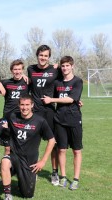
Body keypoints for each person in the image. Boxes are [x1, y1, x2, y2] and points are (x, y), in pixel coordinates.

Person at [1, 94, 55, 199]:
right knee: (4, 162)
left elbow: (52, 140)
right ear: (18, 105)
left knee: (27, 194)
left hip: (29, 160)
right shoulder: (12, 116)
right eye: (22, 105)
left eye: (27, 105)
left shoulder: (40, 121)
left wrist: (43, 161)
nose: (24, 107)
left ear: (32, 105)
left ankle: (25, 177)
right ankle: (7, 194)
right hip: (15, 155)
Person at [41, 56, 83, 190]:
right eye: (63, 66)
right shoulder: (57, 83)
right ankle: (63, 177)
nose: (65, 68)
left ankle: (76, 179)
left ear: (72, 66)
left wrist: (52, 99)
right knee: (62, 149)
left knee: (76, 150)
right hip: (59, 120)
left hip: (74, 119)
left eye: (67, 66)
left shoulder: (78, 81)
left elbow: (71, 99)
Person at [27, 45, 61, 185]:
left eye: (46, 56)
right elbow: (28, 84)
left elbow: (63, 84)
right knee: (32, 142)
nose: (43, 58)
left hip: (49, 111)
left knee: (53, 143)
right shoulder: (30, 69)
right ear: (37, 55)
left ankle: (54, 173)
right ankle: (32, 170)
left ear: (49, 57)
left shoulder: (55, 70)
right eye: (41, 55)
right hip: (35, 111)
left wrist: (76, 99)